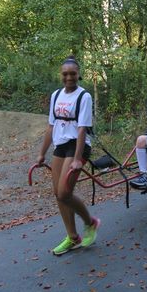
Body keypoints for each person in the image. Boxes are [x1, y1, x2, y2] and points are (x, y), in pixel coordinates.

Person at [36, 56, 101, 255]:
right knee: (58, 194)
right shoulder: (56, 95)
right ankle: (72, 237)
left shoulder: (84, 96)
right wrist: (41, 154)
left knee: (65, 192)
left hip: (77, 146)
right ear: (61, 75)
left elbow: (82, 129)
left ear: (78, 74)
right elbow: (50, 126)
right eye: (65, 74)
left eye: (73, 74)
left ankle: (90, 223)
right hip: (61, 145)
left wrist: (77, 160)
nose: (69, 77)